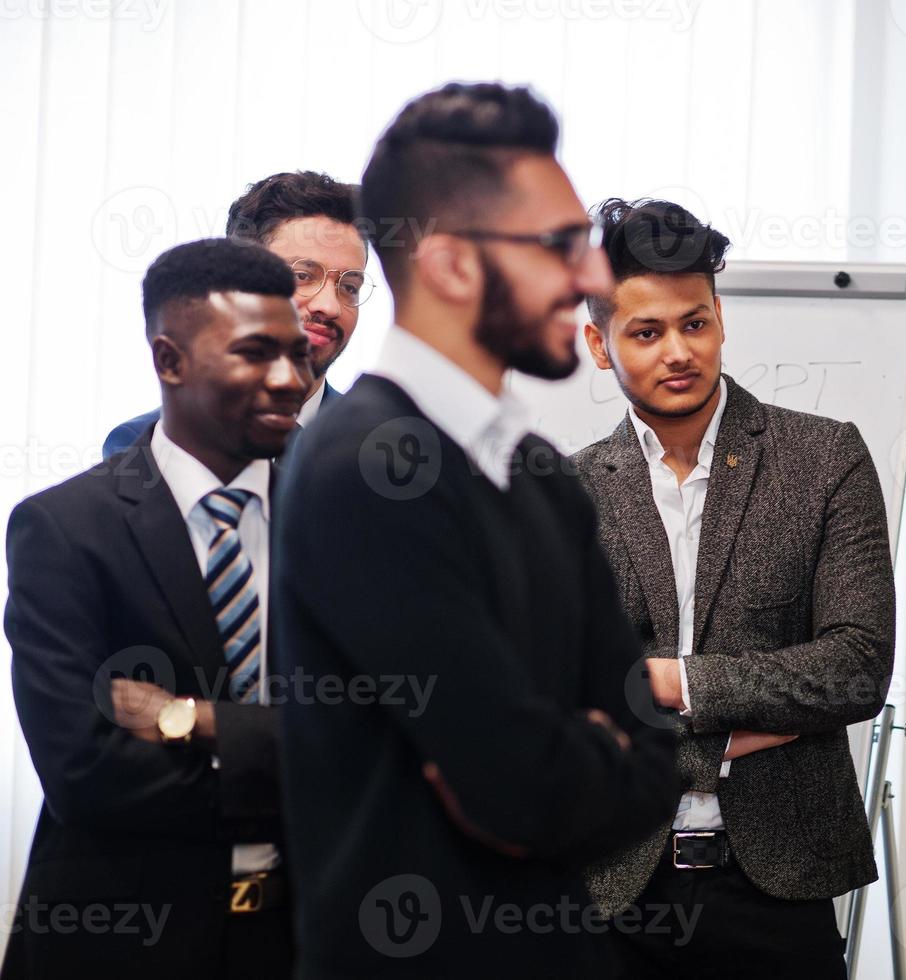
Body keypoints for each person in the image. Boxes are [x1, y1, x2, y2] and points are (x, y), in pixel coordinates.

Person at [274, 84, 679, 978]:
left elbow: (653, 754)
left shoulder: (540, 473)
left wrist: (556, 756)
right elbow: (518, 782)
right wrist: (569, 750)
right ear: (453, 263)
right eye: (560, 246)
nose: (592, 281)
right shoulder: (367, 469)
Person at [572, 197, 896, 979]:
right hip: (610, 888)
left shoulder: (824, 460)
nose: (677, 351)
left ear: (719, 319)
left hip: (781, 888)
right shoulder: (562, 492)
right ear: (598, 344)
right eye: (645, 333)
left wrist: (665, 683)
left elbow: (854, 668)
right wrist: (732, 734)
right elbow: (556, 703)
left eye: (695, 323)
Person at [3, 239, 311, 979]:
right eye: (254, 353)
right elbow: (87, 772)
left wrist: (188, 720)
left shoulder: (345, 521)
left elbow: (389, 732)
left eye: (297, 354)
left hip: (306, 939)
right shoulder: (67, 527)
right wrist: (306, 765)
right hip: (122, 939)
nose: (290, 380)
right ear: (169, 361)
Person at [104, 170, 368, 456]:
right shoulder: (147, 445)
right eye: (303, 276)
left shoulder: (378, 447)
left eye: (350, 287)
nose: (329, 306)